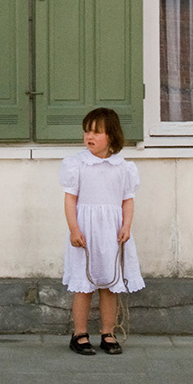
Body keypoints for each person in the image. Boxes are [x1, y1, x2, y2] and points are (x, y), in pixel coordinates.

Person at [61, 107, 144, 356]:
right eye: (87, 131)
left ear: (112, 135)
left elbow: (127, 200)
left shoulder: (123, 168)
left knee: (110, 283)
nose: (90, 136)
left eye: (97, 132)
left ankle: (108, 332)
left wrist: (126, 226)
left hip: (112, 232)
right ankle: (80, 333)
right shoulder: (77, 165)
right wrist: (74, 229)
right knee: (84, 284)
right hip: (86, 232)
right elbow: (70, 200)